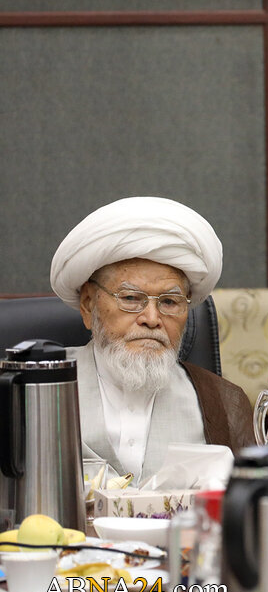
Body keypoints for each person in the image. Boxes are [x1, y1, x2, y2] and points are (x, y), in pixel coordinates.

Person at [50, 196, 254, 482]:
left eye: (169, 302)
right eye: (131, 298)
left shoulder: (224, 403)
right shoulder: (32, 390)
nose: (152, 318)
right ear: (88, 304)